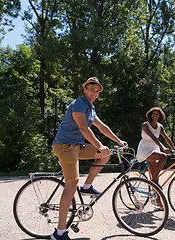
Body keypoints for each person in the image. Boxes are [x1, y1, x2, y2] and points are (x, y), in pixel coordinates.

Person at [51, 77, 126, 240]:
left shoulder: (91, 108)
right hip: (64, 145)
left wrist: (118, 141)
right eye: (92, 89)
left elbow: (102, 127)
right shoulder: (79, 103)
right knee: (71, 184)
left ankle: (87, 186)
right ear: (85, 89)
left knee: (105, 154)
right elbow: (84, 129)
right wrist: (99, 144)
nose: (95, 92)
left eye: (97, 90)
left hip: (77, 146)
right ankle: (60, 232)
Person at [136, 107, 175, 189]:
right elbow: (154, 137)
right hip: (145, 149)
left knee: (156, 178)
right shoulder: (145, 125)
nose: (155, 115)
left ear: (160, 116)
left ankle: (158, 200)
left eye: (157, 114)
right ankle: (153, 182)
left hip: (154, 149)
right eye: (153, 114)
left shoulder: (160, 127)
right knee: (163, 157)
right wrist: (163, 148)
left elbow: (167, 138)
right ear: (150, 115)